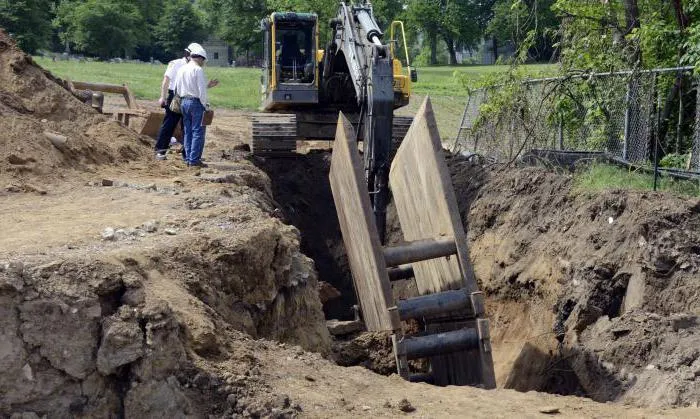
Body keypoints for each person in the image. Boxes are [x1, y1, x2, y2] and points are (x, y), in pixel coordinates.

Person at [154, 43, 196, 160]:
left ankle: (186, 154)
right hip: (175, 96)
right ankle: (160, 151)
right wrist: (162, 97)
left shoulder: (194, 67)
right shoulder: (176, 63)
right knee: (169, 124)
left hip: (188, 97)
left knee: (187, 126)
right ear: (188, 55)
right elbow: (166, 80)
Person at [173, 44, 212, 168]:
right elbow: (202, 91)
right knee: (198, 132)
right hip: (196, 103)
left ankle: (188, 158)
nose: (203, 63)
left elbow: (177, 89)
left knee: (188, 132)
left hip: (184, 102)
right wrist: (206, 106)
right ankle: (194, 160)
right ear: (200, 58)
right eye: (203, 61)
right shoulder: (198, 70)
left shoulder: (182, 69)